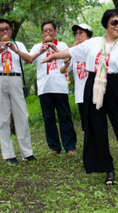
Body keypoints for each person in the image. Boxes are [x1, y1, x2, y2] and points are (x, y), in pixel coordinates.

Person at [43, 9, 118, 185]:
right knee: (97, 128)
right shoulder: (93, 43)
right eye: (114, 22)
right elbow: (71, 53)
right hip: (92, 85)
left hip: (111, 86)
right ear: (106, 24)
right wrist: (53, 57)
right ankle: (107, 169)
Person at [0, 19, 36, 165]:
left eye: (7, 29)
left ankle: (27, 153)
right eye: (1, 30)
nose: (5, 32)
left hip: (15, 79)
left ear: (11, 30)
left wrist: (15, 49)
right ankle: (8, 155)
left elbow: (29, 59)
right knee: (3, 118)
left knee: (22, 116)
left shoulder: (19, 45)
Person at [29, 21, 77, 155]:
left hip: (60, 86)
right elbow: (29, 60)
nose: (48, 33)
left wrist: (55, 49)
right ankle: (54, 147)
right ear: (42, 33)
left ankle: (70, 146)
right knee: (48, 118)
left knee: (65, 116)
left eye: (50, 30)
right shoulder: (37, 46)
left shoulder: (62, 45)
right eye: (45, 31)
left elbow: (68, 58)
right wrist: (40, 52)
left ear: (55, 31)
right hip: (44, 87)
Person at [60, 23, 93, 131]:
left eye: (81, 33)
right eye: (76, 33)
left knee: (96, 121)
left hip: (94, 92)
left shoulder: (93, 50)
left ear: (88, 35)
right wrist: (66, 61)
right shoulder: (73, 52)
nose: (78, 35)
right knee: (86, 124)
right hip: (80, 94)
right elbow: (62, 70)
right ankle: (89, 146)